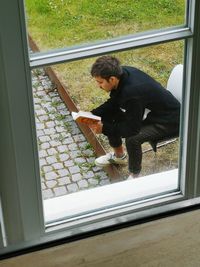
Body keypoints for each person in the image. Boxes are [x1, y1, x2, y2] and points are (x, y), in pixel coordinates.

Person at [89, 55, 180, 178]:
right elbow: (115, 101)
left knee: (133, 139)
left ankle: (134, 175)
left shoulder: (132, 93)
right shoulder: (122, 73)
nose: (98, 86)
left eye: (100, 82)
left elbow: (131, 129)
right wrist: (93, 114)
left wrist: (104, 129)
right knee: (109, 115)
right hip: (153, 112)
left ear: (112, 79)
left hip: (170, 120)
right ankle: (119, 156)